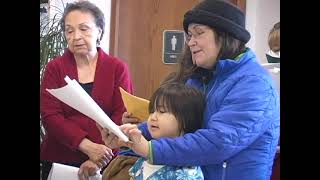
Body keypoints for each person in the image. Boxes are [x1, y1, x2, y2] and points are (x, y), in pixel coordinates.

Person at [104, 0, 280, 180]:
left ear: (226, 35)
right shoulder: (199, 78)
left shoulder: (255, 85)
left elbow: (219, 142)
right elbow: (177, 123)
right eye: (189, 35)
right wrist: (127, 136)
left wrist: (150, 149)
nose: (190, 43)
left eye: (199, 33)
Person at [40, 1, 133, 180]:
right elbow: (50, 116)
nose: (76, 36)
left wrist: (99, 159)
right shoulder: (55, 68)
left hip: (105, 161)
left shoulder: (117, 68)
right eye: (69, 30)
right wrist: (88, 146)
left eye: (84, 29)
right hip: (59, 158)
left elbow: (121, 116)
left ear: (99, 31)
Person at [98, 82, 205, 179]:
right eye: (152, 111)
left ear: (186, 120)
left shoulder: (187, 174)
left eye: (162, 111)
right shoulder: (143, 160)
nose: (153, 117)